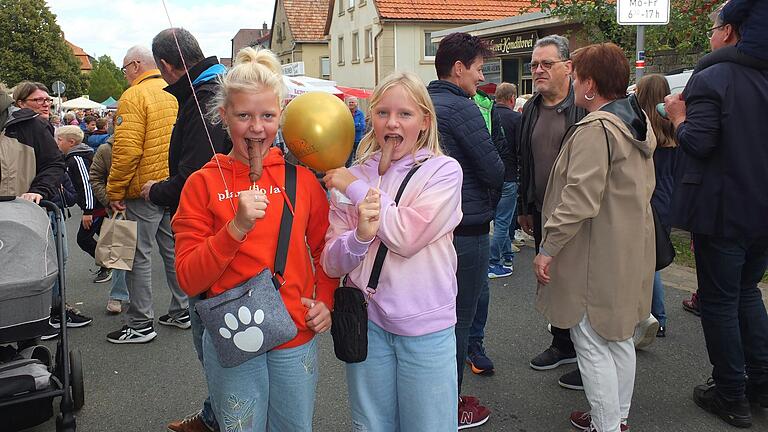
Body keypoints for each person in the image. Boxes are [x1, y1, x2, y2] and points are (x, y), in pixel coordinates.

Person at [173, 47, 336, 432]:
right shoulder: (202, 184)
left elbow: (325, 250)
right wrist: (235, 229)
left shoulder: (302, 181)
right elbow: (189, 278)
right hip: (232, 339)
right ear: (223, 115)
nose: (256, 128)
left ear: (281, 115)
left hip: (296, 335)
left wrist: (326, 300)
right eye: (244, 116)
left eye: (267, 116)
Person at [322, 71, 463, 432]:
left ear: (424, 121)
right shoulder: (356, 173)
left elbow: (407, 236)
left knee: (429, 426)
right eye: (383, 113)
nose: (392, 123)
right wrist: (358, 238)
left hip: (426, 328)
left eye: (405, 114)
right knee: (372, 426)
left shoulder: (443, 172)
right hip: (367, 322)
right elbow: (331, 260)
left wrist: (356, 190)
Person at [534, 42, 656, 432]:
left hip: (594, 253)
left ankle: (606, 424)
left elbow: (579, 199)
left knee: (590, 342)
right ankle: (616, 419)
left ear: (589, 85)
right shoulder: (637, 123)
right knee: (618, 337)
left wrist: (547, 247)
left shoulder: (596, 129)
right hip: (627, 247)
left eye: (578, 76)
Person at [664, 5, 768, 428]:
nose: (709, 36)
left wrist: (678, 118)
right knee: (747, 293)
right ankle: (760, 383)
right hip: (761, 213)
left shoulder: (712, 78)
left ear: (729, 32)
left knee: (720, 302)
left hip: (722, 212)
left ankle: (729, 393)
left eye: (712, 29)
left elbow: (701, 143)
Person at [148, 27, 231, 432]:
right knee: (215, 335)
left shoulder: (204, 100)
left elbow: (196, 176)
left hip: (212, 234)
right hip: (217, 228)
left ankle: (223, 417)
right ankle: (217, 412)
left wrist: (153, 191)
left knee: (213, 339)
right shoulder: (209, 90)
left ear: (166, 65)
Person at [427, 32, 504, 428]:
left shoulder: (422, 105)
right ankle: (450, 404)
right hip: (466, 226)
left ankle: (433, 398)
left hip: (430, 229)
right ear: (458, 69)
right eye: (477, 69)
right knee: (459, 318)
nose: (480, 77)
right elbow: (493, 168)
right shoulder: (462, 107)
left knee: (435, 316)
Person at [106, 45, 188, 344]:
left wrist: (115, 189)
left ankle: (140, 322)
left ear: (137, 65)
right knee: (173, 251)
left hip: (143, 189)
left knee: (137, 256)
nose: (125, 73)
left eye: (125, 67)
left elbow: (126, 151)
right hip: (173, 186)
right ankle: (182, 310)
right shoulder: (176, 90)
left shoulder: (134, 96)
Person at [519, 35, 587, 391]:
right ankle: (562, 344)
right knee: (551, 282)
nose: (538, 70)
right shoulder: (531, 107)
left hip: (577, 218)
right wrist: (524, 207)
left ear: (568, 67)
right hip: (542, 211)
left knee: (578, 283)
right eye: (534, 64)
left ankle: (587, 355)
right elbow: (523, 163)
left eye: (547, 64)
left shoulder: (585, 107)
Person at [3, 82, 92, 332]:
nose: (45, 104)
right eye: (38, 100)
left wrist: (40, 191)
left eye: (47, 100)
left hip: (38, 209)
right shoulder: (35, 127)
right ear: (20, 103)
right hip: (27, 207)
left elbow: (54, 165)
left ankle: (52, 309)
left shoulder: (36, 127)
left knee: (51, 261)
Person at [636, 73, 678, 338]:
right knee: (656, 255)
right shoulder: (673, 125)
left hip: (648, 196)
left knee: (644, 259)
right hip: (669, 196)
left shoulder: (642, 126)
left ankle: (653, 315)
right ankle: (658, 317)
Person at [54, 125, 110, 283]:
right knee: (105, 237)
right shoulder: (78, 155)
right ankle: (113, 265)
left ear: (71, 142)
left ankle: (107, 265)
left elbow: (87, 184)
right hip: (97, 205)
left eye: (59, 140)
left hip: (96, 206)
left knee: (84, 239)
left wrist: (88, 211)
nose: (56, 143)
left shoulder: (77, 158)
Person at [89, 135, 130, 313]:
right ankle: (118, 296)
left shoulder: (152, 142)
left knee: (167, 254)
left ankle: (179, 306)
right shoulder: (107, 149)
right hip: (121, 207)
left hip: (151, 204)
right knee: (121, 252)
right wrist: (109, 200)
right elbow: (95, 177)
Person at [345, 95, 366, 167]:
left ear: (356, 103)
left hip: (357, 139)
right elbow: (344, 125)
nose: (350, 104)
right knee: (348, 159)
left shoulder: (360, 114)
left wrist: (352, 125)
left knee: (358, 157)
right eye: (349, 102)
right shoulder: (345, 112)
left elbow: (362, 126)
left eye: (352, 102)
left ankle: (358, 172)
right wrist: (357, 124)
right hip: (348, 140)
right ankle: (347, 172)